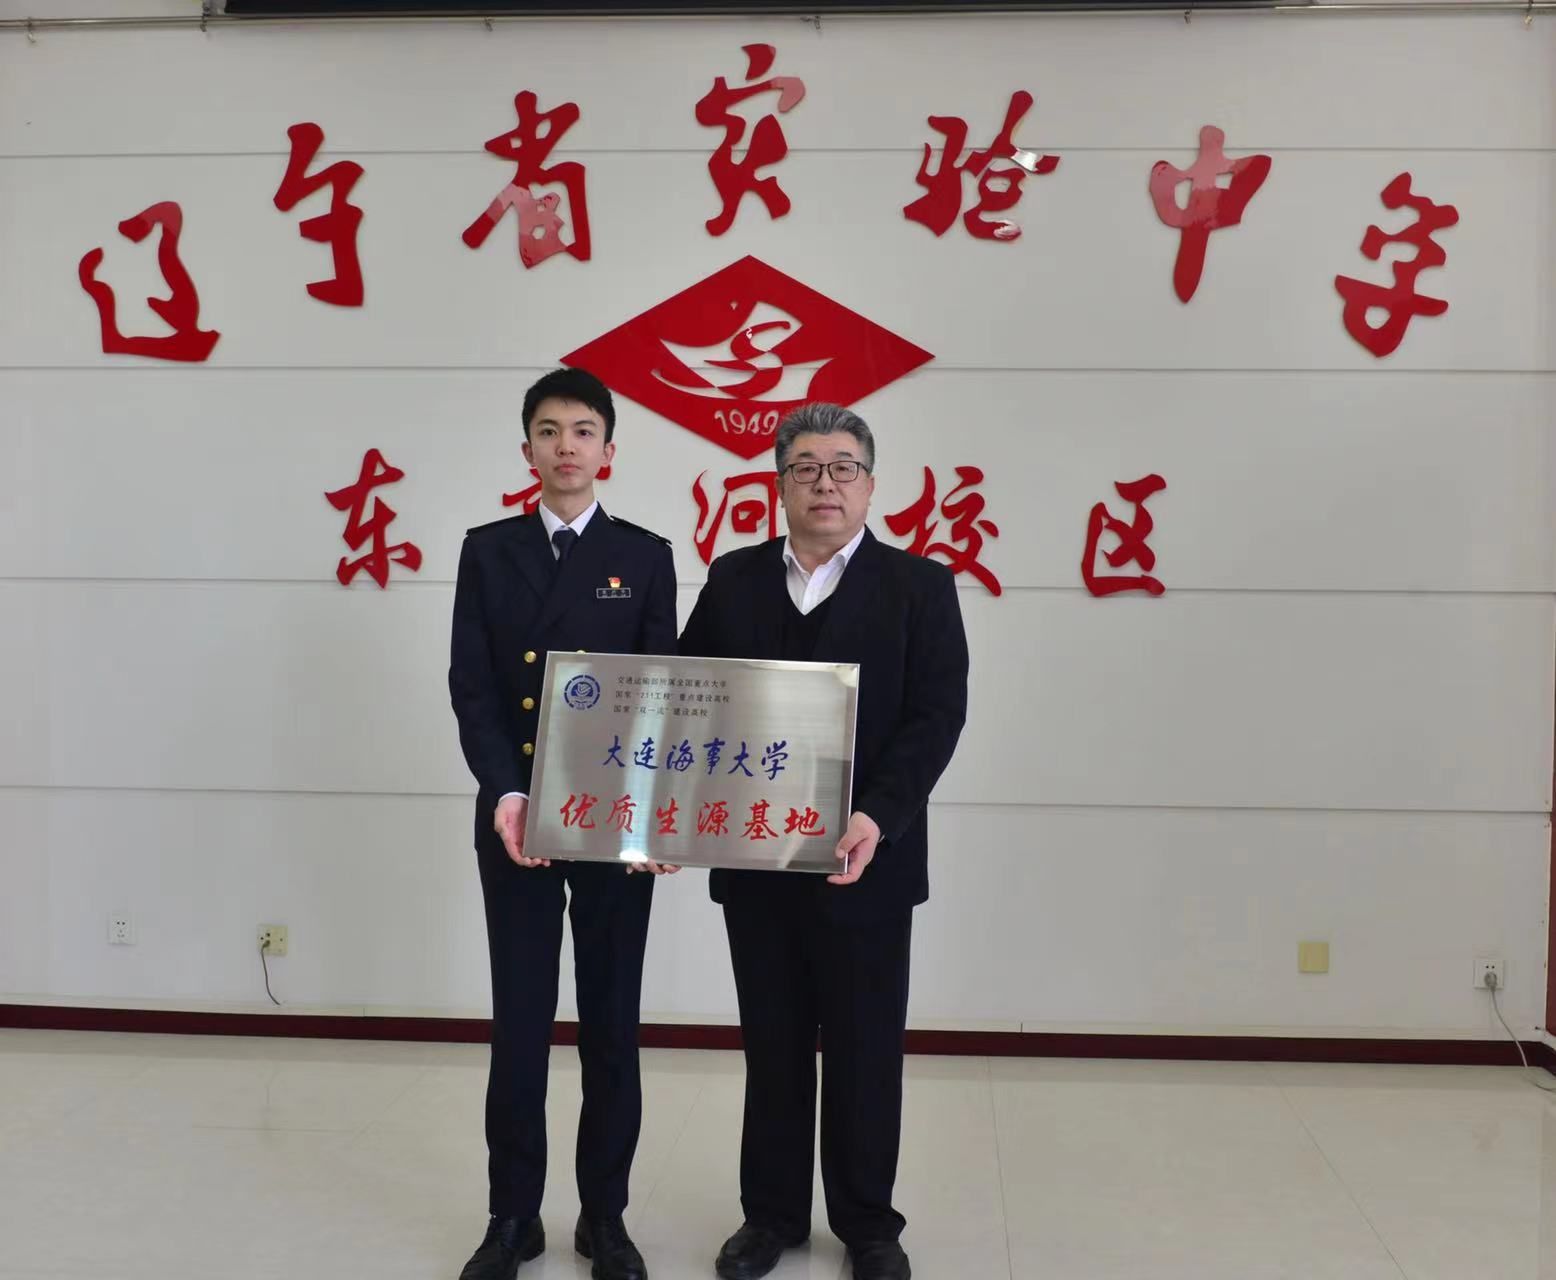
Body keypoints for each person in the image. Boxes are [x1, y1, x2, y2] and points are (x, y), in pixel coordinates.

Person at [678, 402, 969, 1280]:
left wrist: (878, 815)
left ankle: (869, 1224)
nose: (825, 483)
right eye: (805, 467)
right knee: (771, 1046)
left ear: (872, 486)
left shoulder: (919, 586)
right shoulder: (733, 580)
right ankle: (770, 1216)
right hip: (758, 861)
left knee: (864, 1048)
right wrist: (660, 815)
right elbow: (687, 697)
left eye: (844, 467)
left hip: (865, 860)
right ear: (780, 485)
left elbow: (936, 716)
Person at [449, 367, 678, 1280]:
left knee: (612, 1024)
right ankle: (513, 1217)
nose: (567, 445)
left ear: (608, 450)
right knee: (520, 1022)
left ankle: (604, 1217)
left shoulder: (645, 556)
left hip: (613, 820)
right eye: (549, 431)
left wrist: (656, 815)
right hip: (516, 817)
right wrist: (506, 792)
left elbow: (664, 697)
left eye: (584, 430)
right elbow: (472, 686)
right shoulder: (488, 550)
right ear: (528, 450)